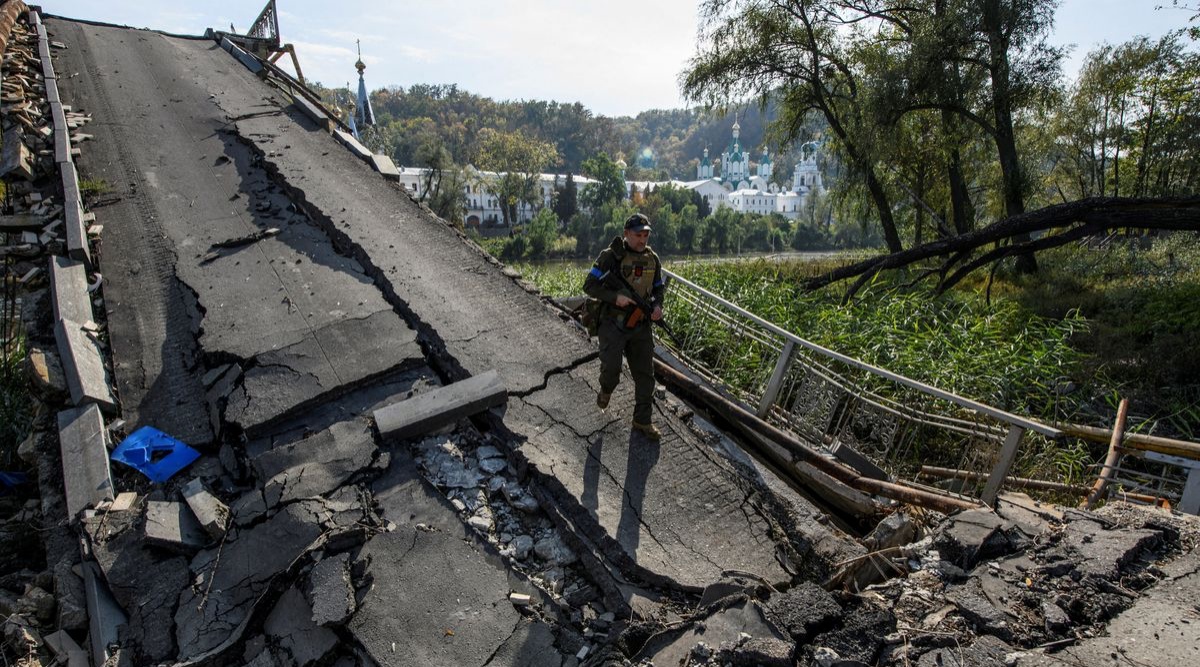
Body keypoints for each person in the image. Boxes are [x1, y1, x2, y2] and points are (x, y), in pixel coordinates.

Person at [583, 213, 666, 440]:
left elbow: (658, 288)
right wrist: (614, 297)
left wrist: (657, 306)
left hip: (641, 324)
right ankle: (606, 390)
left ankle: (642, 420)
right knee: (612, 369)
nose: (642, 239)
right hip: (613, 322)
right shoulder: (610, 257)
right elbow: (589, 285)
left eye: (646, 235)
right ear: (626, 234)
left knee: (645, 376)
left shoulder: (653, 259)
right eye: (638, 235)